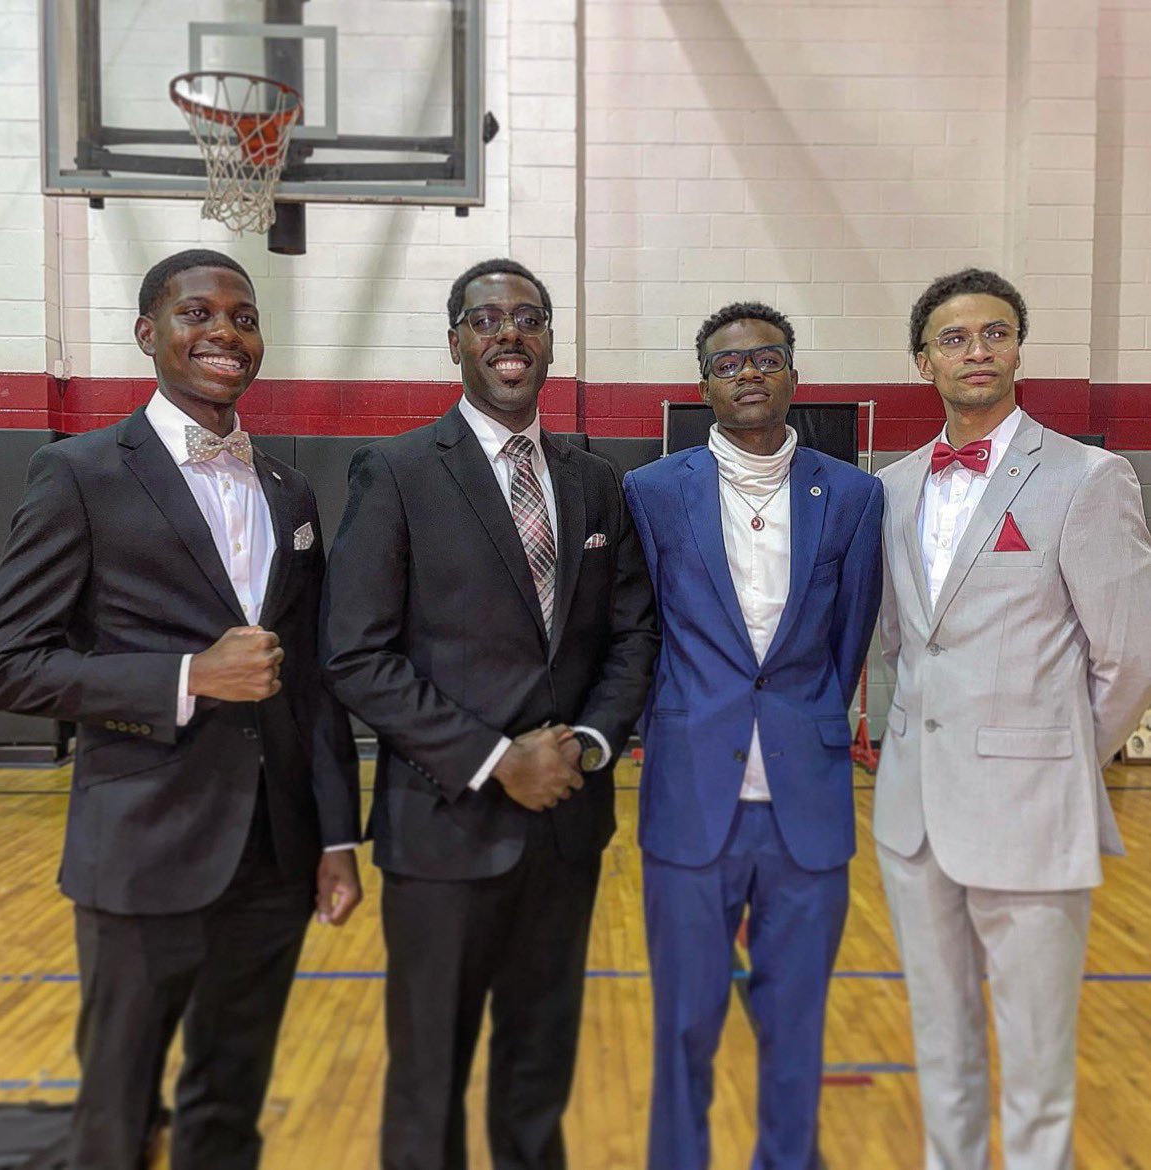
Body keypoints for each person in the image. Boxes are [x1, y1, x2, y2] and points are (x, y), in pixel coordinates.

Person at [0, 248, 363, 1170]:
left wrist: (338, 837)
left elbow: (310, 680)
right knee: (116, 1114)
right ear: (149, 333)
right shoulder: (78, 473)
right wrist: (186, 676)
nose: (224, 333)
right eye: (197, 314)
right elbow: (4, 664)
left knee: (229, 1103)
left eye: (242, 315)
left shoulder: (290, 491)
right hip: (143, 849)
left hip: (274, 855)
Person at [321, 257, 659, 1170]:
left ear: (550, 338)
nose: (509, 333)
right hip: (445, 825)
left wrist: (587, 746)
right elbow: (354, 653)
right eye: (486, 319)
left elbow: (632, 638)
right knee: (428, 1074)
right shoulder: (393, 473)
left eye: (529, 317)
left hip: (565, 829)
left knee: (538, 1070)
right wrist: (494, 758)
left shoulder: (596, 480)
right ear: (456, 341)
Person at [875, 267, 1151, 1170]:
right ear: (924, 363)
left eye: (995, 333)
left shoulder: (1089, 476)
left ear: (1019, 348)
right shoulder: (893, 486)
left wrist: (1054, 758)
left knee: (1037, 1065)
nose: (977, 350)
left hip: (1032, 813)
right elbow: (901, 645)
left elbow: (1129, 661)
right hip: (915, 817)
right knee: (941, 1048)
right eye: (954, 339)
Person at [623, 302, 883, 1170]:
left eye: (765, 359)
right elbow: (643, 630)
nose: (748, 374)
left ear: (793, 376)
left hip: (804, 803)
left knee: (796, 1026)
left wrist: (805, 721)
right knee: (686, 1024)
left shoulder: (852, 493)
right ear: (703, 385)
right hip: (693, 795)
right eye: (728, 364)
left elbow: (849, 639)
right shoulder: (653, 493)